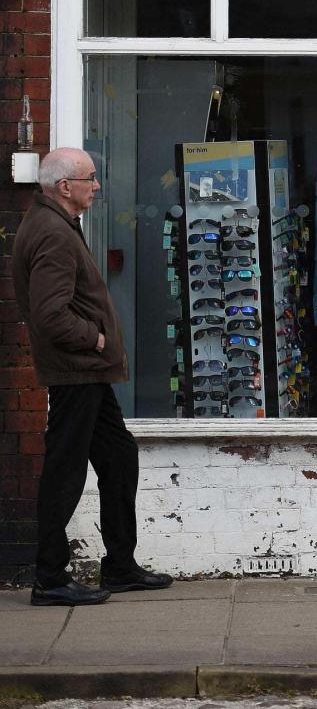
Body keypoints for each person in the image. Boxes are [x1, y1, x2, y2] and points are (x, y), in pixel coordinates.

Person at [14, 147, 174, 606]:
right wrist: (96, 339)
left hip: (86, 372)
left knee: (119, 458)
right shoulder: (52, 233)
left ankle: (120, 567)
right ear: (66, 186)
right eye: (90, 177)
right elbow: (49, 314)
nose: (97, 185)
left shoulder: (56, 224)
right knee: (65, 471)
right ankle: (49, 578)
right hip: (76, 370)